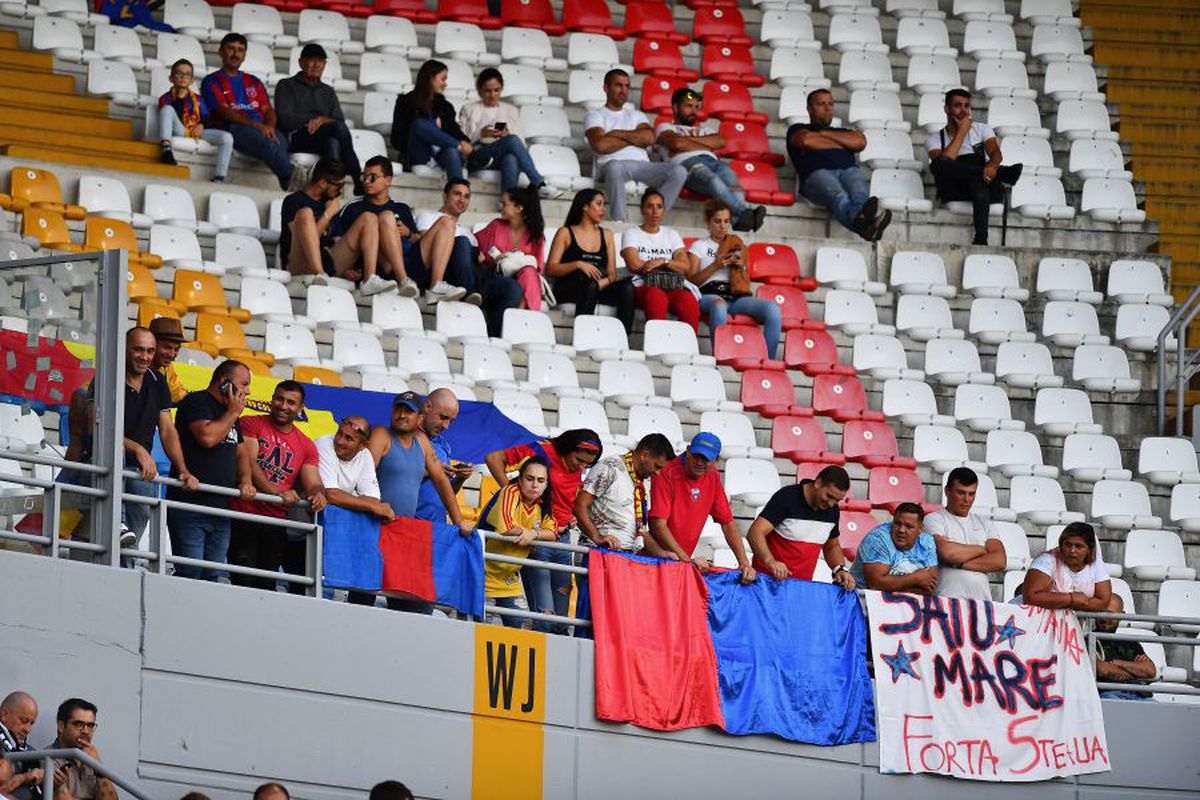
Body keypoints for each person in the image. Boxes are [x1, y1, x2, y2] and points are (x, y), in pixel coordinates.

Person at [484, 429, 603, 631]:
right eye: (578, 460)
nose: (581, 466)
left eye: (587, 464)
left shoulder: (577, 467)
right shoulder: (542, 450)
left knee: (562, 621)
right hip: (538, 539)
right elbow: (493, 457)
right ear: (567, 448)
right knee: (545, 616)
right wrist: (513, 496)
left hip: (562, 538)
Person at [366, 391, 473, 612]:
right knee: (365, 597)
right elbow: (363, 474)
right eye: (399, 409)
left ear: (419, 416)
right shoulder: (381, 434)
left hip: (407, 535)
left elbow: (442, 482)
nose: (402, 415)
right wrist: (372, 505)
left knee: (412, 604)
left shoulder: (422, 442)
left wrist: (459, 520)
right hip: (376, 529)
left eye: (409, 411)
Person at [228, 380, 326, 591]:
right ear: (271, 399)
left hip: (276, 522)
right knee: (242, 582)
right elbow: (249, 462)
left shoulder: (307, 444)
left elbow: (313, 482)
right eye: (279, 399)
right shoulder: (250, 423)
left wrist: (318, 494)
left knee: (266, 586)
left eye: (291, 402)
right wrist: (276, 492)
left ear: (300, 409)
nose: (283, 405)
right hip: (244, 514)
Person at [168, 360, 252, 580]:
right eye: (243, 384)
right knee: (190, 572)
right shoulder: (197, 401)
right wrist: (233, 413)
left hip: (221, 509)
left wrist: (245, 480)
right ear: (224, 382)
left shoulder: (230, 412)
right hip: (189, 507)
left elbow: (241, 452)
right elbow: (207, 437)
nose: (247, 391)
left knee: (213, 575)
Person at [117, 327, 196, 550]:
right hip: (105, 459)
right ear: (125, 348)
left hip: (138, 467)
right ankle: (117, 524)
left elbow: (167, 429)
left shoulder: (159, 381)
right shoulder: (108, 375)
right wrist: (139, 449)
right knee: (112, 526)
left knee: (141, 515)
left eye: (149, 351)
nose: (145, 357)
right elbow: (96, 428)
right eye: (139, 350)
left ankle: (125, 565)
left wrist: (182, 468)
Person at [646, 433, 755, 582]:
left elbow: (728, 523)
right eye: (696, 455)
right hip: (652, 560)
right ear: (688, 451)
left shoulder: (713, 476)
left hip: (679, 564)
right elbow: (657, 524)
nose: (699, 462)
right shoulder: (666, 472)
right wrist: (686, 560)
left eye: (706, 459)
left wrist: (744, 563)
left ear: (717, 460)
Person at [280, 157, 397, 295]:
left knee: (368, 218)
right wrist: (328, 214)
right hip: (298, 262)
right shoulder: (293, 201)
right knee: (306, 213)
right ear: (323, 183)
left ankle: (369, 279)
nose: (341, 191)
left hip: (326, 261)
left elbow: (336, 240)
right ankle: (319, 273)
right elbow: (302, 240)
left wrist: (347, 269)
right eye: (338, 185)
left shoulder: (329, 203)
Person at [656, 87, 765, 232]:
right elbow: (677, 143)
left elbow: (720, 142)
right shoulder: (665, 127)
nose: (693, 111)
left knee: (733, 182)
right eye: (688, 106)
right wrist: (704, 144)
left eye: (696, 107)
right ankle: (744, 211)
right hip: (686, 163)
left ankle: (739, 222)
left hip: (713, 161)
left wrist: (687, 142)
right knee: (712, 179)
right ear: (675, 108)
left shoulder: (706, 129)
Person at [584, 68, 686, 223]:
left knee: (679, 171)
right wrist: (635, 137)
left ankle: (654, 220)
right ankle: (620, 222)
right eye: (618, 85)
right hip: (613, 165)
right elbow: (601, 145)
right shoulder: (595, 115)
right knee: (615, 167)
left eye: (627, 86)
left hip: (643, 166)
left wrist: (616, 133)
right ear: (606, 88)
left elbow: (650, 138)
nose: (623, 90)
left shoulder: (636, 115)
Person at [787, 88, 890, 241]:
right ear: (809, 109)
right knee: (839, 195)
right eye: (821, 104)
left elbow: (860, 142)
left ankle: (863, 225)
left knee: (859, 192)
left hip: (848, 171)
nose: (827, 108)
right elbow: (805, 140)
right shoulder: (797, 129)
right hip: (816, 174)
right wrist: (840, 142)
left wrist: (823, 134)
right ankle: (867, 224)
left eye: (830, 104)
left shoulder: (842, 130)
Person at [926, 88, 1023, 246]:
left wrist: (992, 166)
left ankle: (981, 239)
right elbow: (945, 163)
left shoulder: (982, 129)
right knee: (939, 164)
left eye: (966, 106)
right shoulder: (934, 139)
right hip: (955, 190)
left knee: (977, 178)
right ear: (947, 109)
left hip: (984, 186)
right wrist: (963, 131)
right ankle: (1003, 173)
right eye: (958, 105)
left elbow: (995, 153)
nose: (963, 110)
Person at [687, 199, 783, 359]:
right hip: (708, 294)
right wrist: (715, 266)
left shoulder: (736, 244)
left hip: (735, 295)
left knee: (772, 309)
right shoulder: (700, 245)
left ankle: (768, 361)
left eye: (726, 221)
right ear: (708, 222)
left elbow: (745, 282)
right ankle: (720, 357)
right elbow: (691, 281)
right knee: (719, 306)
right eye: (717, 221)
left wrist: (741, 267)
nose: (723, 226)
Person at [201, 33, 294, 191]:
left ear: (244, 55)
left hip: (259, 128)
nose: (235, 54)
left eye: (240, 50)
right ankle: (294, 177)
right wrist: (256, 125)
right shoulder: (212, 81)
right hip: (232, 127)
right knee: (266, 142)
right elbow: (223, 112)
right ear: (220, 52)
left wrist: (270, 127)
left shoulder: (253, 81)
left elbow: (268, 110)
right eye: (231, 48)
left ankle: (289, 186)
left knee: (281, 140)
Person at [745, 464, 855, 589]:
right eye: (829, 496)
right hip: (766, 583)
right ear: (818, 483)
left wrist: (840, 569)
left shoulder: (833, 510)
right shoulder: (787, 497)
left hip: (801, 588)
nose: (831, 504)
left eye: (837, 500)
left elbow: (832, 546)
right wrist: (770, 561)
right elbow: (755, 532)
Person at [274, 43, 364, 196]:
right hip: (296, 137)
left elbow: (339, 121)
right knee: (336, 131)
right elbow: (285, 119)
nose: (316, 65)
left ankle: (330, 190)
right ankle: (356, 176)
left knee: (333, 141)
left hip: (321, 139)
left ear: (324, 65)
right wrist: (314, 119)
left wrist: (322, 120)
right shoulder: (286, 85)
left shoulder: (327, 91)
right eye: (311, 60)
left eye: (320, 61)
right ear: (301, 63)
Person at [546, 189, 635, 333]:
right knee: (589, 285)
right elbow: (551, 268)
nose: (603, 209)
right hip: (570, 288)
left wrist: (599, 284)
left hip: (597, 286)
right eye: (599, 204)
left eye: (604, 205)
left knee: (627, 287)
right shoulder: (565, 232)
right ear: (585, 206)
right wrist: (578, 264)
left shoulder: (607, 234)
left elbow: (612, 274)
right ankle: (583, 336)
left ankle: (624, 338)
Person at [481, 456, 556, 628]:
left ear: (546, 485)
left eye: (541, 480)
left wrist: (532, 533)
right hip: (482, 575)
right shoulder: (510, 491)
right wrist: (531, 534)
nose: (535, 485)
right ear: (520, 480)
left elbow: (552, 532)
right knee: (478, 632)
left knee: (519, 630)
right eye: (529, 479)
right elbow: (506, 527)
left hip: (509, 580)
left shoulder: (542, 505)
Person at [331, 156, 420, 298]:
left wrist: (408, 233)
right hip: (359, 271)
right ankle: (384, 279)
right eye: (364, 177)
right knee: (372, 217)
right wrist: (346, 269)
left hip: (390, 268)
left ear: (388, 181)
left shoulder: (402, 209)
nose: (366, 182)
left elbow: (419, 244)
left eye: (372, 177)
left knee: (387, 216)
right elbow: (338, 243)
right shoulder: (352, 208)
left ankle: (404, 280)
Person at [457, 68, 554, 196]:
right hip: (477, 157)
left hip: (500, 157)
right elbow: (461, 140)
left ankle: (506, 201)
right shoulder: (468, 109)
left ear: (501, 89)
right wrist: (481, 134)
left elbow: (521, 143)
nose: (492, 95)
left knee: (511, 157)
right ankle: (539, 183)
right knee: (512, 141)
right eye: (487, 91)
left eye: (496, 90)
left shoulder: (511, 111)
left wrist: (506, 135)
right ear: (479, 91)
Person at [621, 188, 700, 331]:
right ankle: (657, 345)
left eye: (659, 206)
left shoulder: (671, 234)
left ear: (664, 210)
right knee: (656, 296)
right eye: (650, 206)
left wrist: (664, 262)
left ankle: (688, 348)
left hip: (670, 284)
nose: (655, 211)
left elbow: (685, 266)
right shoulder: (632, 233)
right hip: (642, 284)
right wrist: (669, 265)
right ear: (642, 210)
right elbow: (633, 264)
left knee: (687, 300)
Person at [925, 467, 1007, 601]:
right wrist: (982, 549)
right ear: (947, 491)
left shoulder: (985, 522)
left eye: (971, 494)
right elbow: (947, 553)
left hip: (981, 603)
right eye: (961, 493)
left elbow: (999, 561)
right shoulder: (933, 519)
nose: (967, 499)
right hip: (946, 600)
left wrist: (957, 562)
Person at [474, 186, 545, 326]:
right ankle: (523, 319)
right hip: (495, 279)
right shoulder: (496, 226)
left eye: (504, 204)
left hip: (522, 284)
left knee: (529, 272)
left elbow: (538, 268)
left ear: (519, 208)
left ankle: (524, 316)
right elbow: (476, 246)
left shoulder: (536, 236)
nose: (501, 207)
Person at [390, 60, 471, 180]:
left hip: (442, 152)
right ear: (431, 78)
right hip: (419, 152)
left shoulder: (445, 106)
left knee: (451, 151)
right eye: (443, 79)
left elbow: (454, 130)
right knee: (419, 125)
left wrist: (464, 141)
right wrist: (427, 134)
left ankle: (457, 193)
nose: (445, 84)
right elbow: (396, 139)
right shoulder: (405, 102)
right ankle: (456, 145)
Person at [156, 58, 233, 180]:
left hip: (196, 131)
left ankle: (219, 176)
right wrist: (180, 98)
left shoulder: (198, 99)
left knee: (227, 138)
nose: (183, 77)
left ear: (192, 80)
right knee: (166, 109)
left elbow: (208, 117)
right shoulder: (165, 98)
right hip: (180, 130)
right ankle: (166, 149)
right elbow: (175, 116)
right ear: (171, 78)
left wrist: (201, 125)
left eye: (187, 75)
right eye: (179, 74)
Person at [411, 179, 480, 305]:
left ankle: (467, 291)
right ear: (445, 196)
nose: (462, 200)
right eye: (457, 194)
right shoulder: (427, 216)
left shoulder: (468, 233)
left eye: (466, 196)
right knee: (448, 224)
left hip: (453, 275)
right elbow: (429, 243)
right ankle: (436, 286)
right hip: (426, 269)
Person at [1018, 522, 1113, 611]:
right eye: (1067, 544)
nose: (1072, 550)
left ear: (1089, 549)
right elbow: (1030, 597)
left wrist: (1060, 601)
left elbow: (1103, 602)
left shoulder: (1096, 563)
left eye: (1078, 546)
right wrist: (1071, 599)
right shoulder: (1046, 560)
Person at [850, 503, 939, 594]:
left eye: (908, 526)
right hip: (862, 601)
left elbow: (929, 586)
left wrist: (893, 588)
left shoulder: (927, 542)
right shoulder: (877, 538)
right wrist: (915, 578)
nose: (901, 530)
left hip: (906, 604)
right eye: (897, 523)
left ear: (920, 529)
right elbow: (876, 585)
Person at [317, 416, 393, 521]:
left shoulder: (365, 455)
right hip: (307, 518)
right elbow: (330, 494)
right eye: (339, 433)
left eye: (348, 438)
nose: (339, 441)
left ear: (363, 445)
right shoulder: (324, 443)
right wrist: (369, 505)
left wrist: (366, 504)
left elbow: (373, 499)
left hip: (334, 520)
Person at [413, 389, 472, 523]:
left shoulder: (442, 444)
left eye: (451, 420)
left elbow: (446, 493)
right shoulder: (406, 438)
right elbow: (392, 478)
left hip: (437, 526)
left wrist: (459, 478)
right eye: (443, 417)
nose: (446, 426)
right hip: (410, 523)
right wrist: (431, 470)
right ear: (427, 407)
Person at [48, 699, 116, 800]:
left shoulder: (91, 759)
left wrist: (98, 768)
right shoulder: (47, 759)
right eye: (79, 724)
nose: (86, 731)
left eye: (90, 725)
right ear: (61, 726)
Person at [1095, 595, 1158, 700]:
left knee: (1156, 707)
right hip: (1107, 694)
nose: (1105, 618)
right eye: (1101, 612)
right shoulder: (1088, 640)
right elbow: (1103, 669)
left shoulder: (1129, 643)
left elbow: (1150, 670)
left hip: (1139, 696)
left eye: (1110, 614)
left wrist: (1116, 663)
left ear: (1121, 615)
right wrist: (1135, 672)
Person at [0, 692, 54, 800]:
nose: (27, 729)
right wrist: (24, 778)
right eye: (24, 721)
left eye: (31, 723)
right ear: (4, 714)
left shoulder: (31, 753)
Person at [148, 317, 188, 404]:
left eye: (176, 349)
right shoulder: (136, 367)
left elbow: (178, 395)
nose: (172, 354)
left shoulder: (167, 368)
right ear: (151, 343)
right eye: (167, 347)